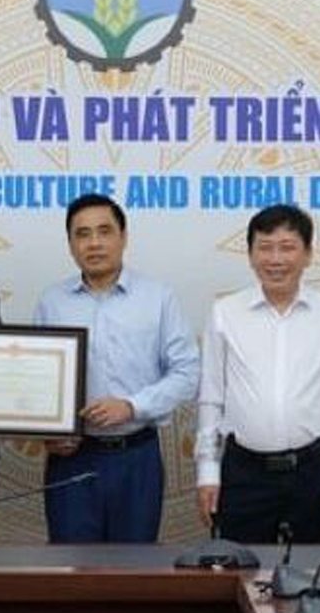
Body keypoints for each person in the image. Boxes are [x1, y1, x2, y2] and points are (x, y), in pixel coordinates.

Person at [32, 194, 199, 542]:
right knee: (70, 569)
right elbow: (39, 380)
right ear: (70, 244)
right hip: (72, 459)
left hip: (136, 457)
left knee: (133, 572)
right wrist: (50, 431)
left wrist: (132, 406)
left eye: (104, 231)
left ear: (123, 237)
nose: (94, 243)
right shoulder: (52, 301)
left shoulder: (158, 297)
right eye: (82, 234)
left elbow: (187, 373)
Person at [194, 204, 320, 544]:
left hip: (313, 470)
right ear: (250, 254)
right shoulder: (225, 314)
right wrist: (208, 471)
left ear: (308, 254)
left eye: (287, 247)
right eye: (265, 247)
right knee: (240, 574)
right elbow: (211, 397)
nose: (276, 259)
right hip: (244, 472)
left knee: (311, 575)